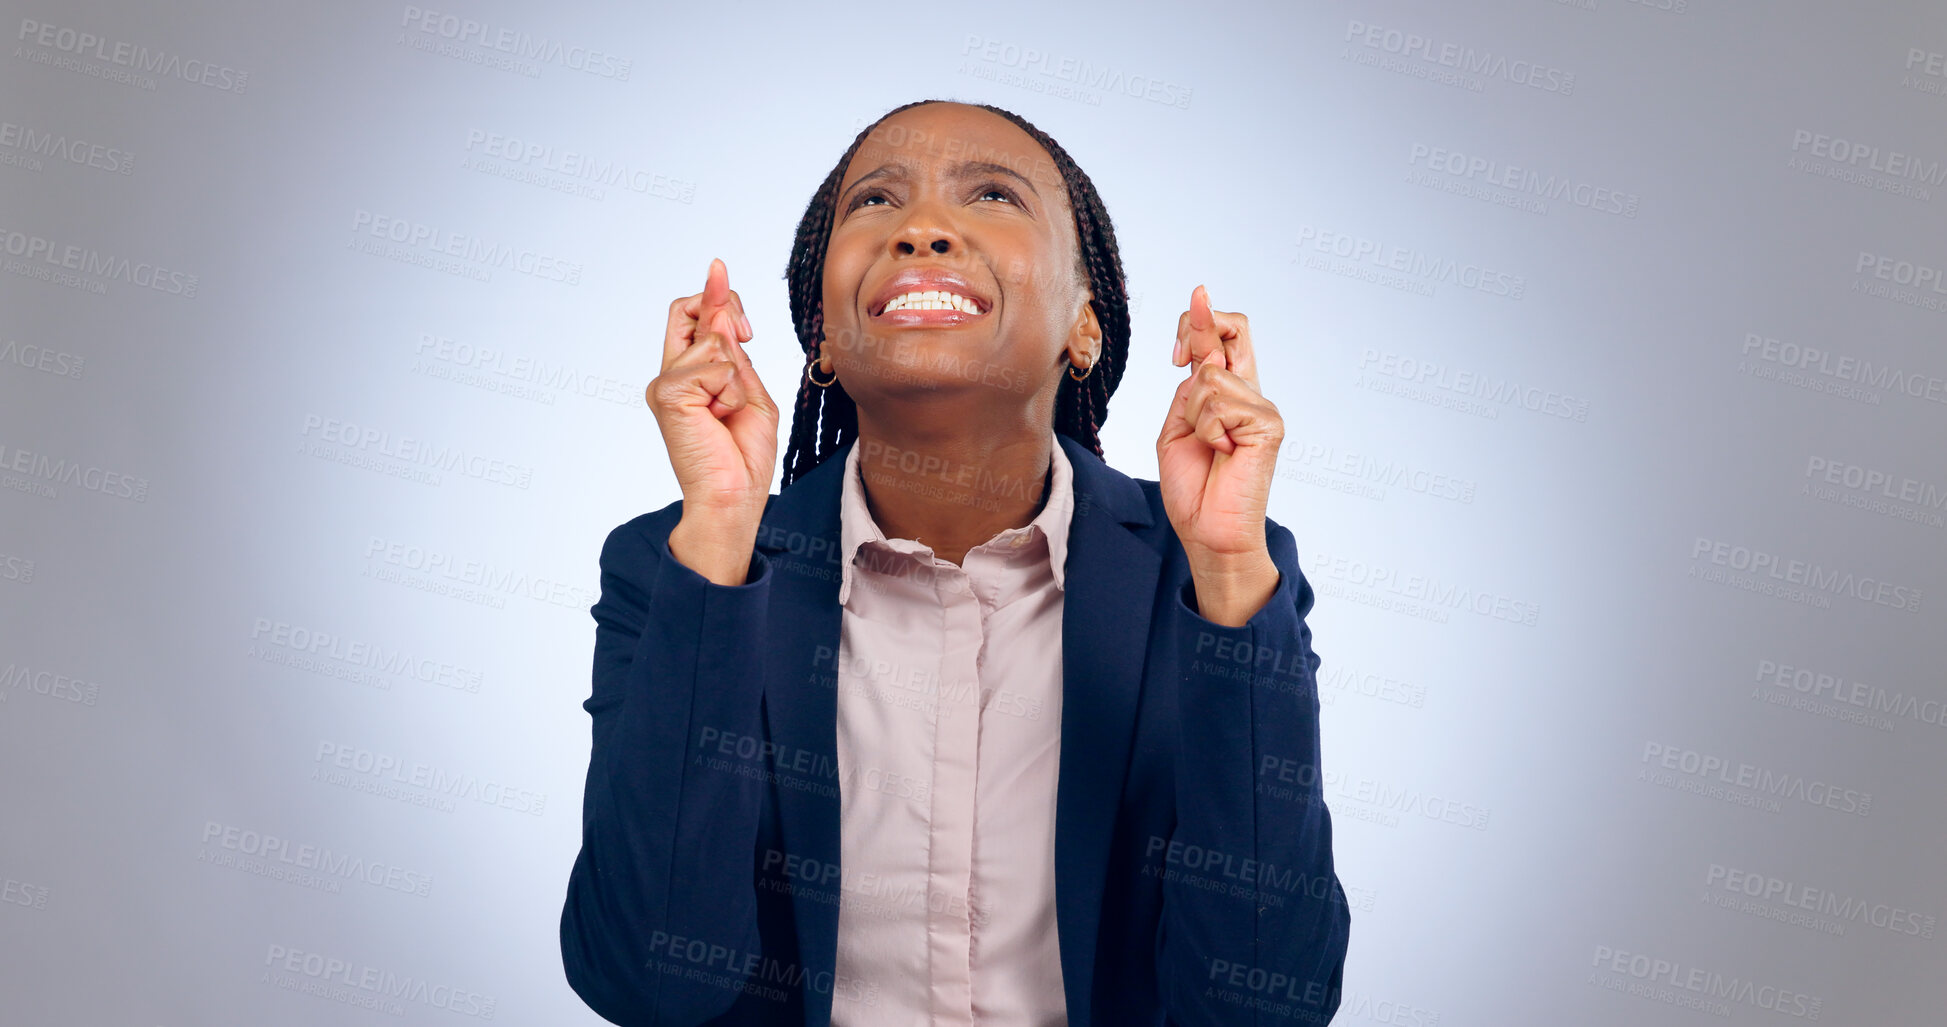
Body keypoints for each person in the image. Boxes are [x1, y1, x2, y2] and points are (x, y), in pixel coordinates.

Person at [559, 98, 1350, 1026]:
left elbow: (1263, 1001)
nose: (921, 229)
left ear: (1084, 327)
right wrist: (723, 543)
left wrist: (1221, 571)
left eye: (991, 195)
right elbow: (645, 980)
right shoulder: (678, 566)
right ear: (822, 335)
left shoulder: (1214, 578)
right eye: (875, 203)